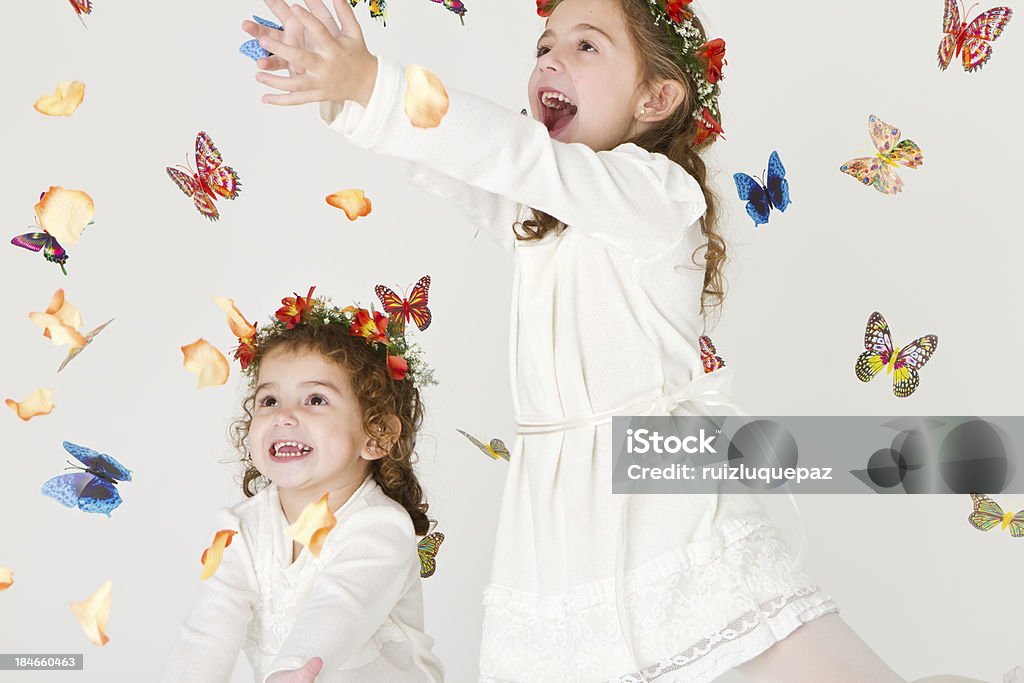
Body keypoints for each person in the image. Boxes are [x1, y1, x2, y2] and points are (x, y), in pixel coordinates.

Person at [241, 0, 1005, 680]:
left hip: (653, 483)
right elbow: (457, 163)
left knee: (769, 645)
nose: (549, 58)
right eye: (544, 44)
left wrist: (378, 84)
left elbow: (509, 151)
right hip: (556, 513)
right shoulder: (542, 218)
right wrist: (345, 93)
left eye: (585, 46)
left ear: (656, 97)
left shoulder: (654, 195)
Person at [161, 287, 444, 682]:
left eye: (315, 399)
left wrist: (292, 672)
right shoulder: (240, 530)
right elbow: (207, 634)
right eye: (269, 401)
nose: (285, 416)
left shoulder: (380, 528)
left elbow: (339, 608)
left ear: (376, 433)